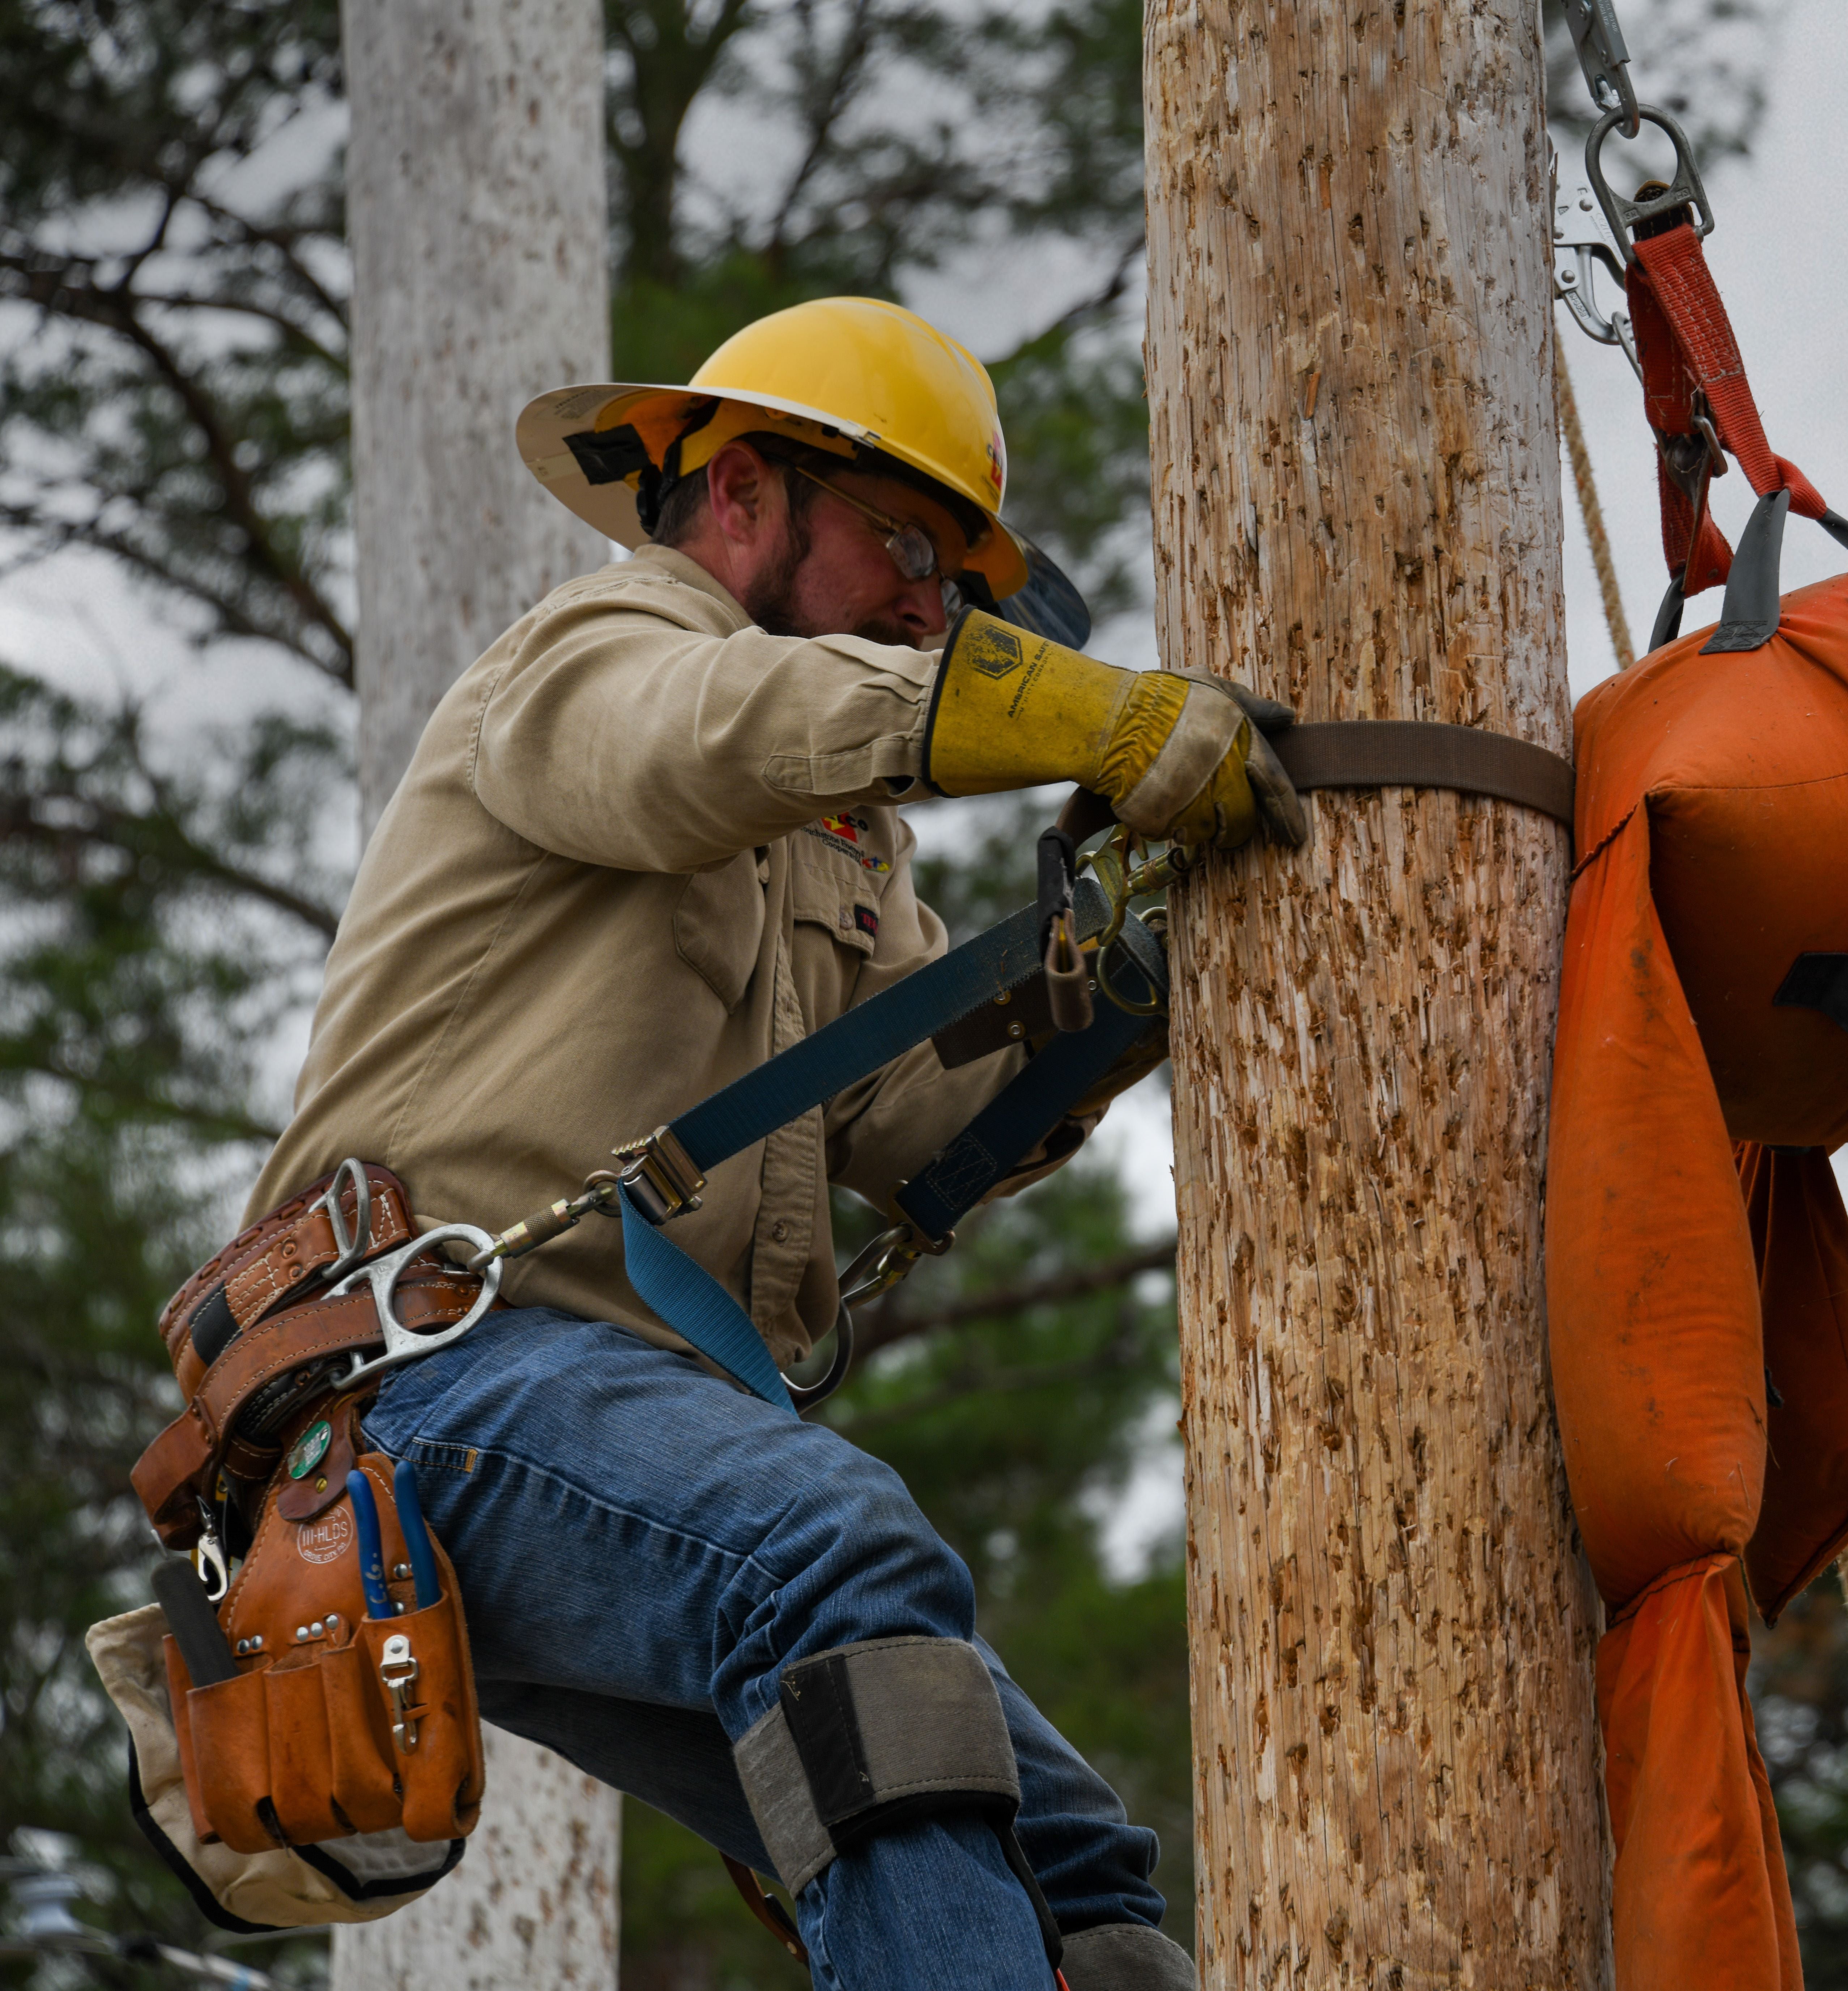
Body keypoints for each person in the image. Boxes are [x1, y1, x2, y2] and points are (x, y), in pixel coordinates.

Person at [239, 296, 1302, 1989]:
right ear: (741, 494)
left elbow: (914, 1118)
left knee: (1073, 1858)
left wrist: (1133, 977)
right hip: (420, 1383)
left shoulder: (837, 849)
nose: (929, 603)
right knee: (837, 1551)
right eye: (904, 544)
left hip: (601, 1434)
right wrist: (1082, 717)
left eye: (950, 581)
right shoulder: (586, 661)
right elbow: (714, 738)